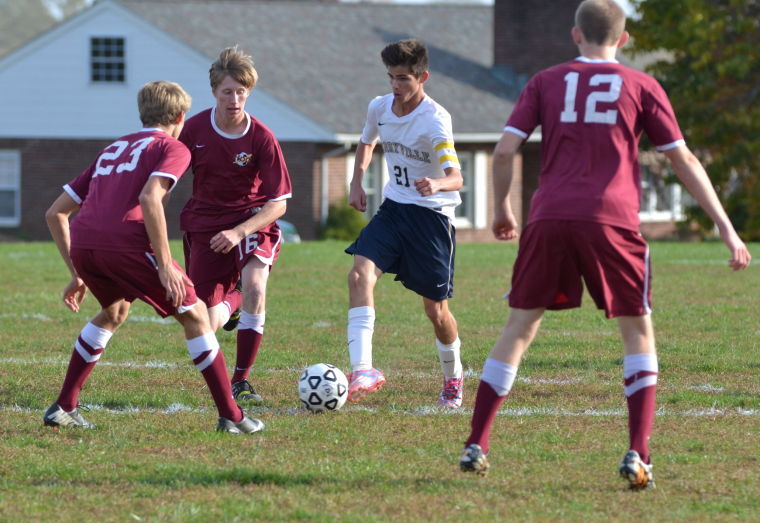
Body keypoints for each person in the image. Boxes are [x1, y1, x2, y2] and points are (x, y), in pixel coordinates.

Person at [458, 0, 752, 489]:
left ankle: (476, 442)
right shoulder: (643, 85)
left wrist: (503, 209)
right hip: (611, 220)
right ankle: (638, 453)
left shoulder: (545, 81)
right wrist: (725, 225)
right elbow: (683, 161)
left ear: (575, 35)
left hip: (548, 215)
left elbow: (505, 149)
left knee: (519, 327)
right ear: (625, 39)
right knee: (637, 334)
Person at [44, 81, 263, 434]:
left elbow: (56, 213)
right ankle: (232, 416)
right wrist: (164, 266)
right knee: (195, 317)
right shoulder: (172, 146)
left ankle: (64, 406)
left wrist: (77, 272)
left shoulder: (113, 147)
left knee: (114, 311)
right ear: (179, 116)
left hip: (85, 244)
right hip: (125, 243)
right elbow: (150, 198)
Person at [345, 39, 465, 408]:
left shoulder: (435, 120)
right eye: (391, 77)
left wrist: (437, 183)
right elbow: (367, 142)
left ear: (422, 77)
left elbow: (457, 176)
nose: (395, 86)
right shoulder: (379, 107)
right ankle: (362, 369)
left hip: (431, 220)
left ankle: (453, 377)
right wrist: (356, 180)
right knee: (358, 275)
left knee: (436, 311)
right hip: (394, 209)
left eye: (403, 79)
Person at [179, 46, 292, 405]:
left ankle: (241, 380)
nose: (235, 99)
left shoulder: (261, 137)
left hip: (251, 222)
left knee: (257, 284)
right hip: (206, 227)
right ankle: (234, 301)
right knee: (206, 323)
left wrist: (241, 231)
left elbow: (279, 202)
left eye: (241, 91)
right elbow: (165, 177)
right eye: (228, 91)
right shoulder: (193, 129)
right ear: (214, 92)